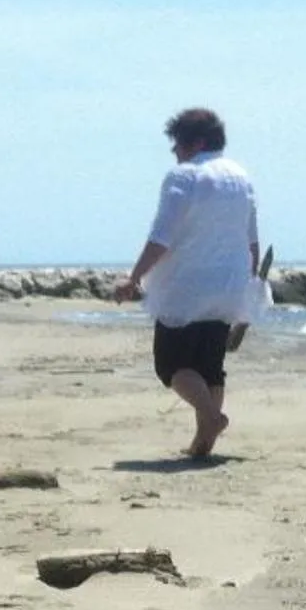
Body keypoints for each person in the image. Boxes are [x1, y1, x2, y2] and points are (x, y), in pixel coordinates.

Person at [113, 108, 262, 458]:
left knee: (172, 365)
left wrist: (133, 277)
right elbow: (252, 240)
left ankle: (211, 419)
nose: (175, 152)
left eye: (177, 144)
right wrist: (250, 282)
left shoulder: (184, 176)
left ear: (195, 143)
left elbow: (161, 237)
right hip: (229, 283)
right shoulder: (241, 177)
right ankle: (203, 442)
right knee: (210, 366)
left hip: (186, 286)